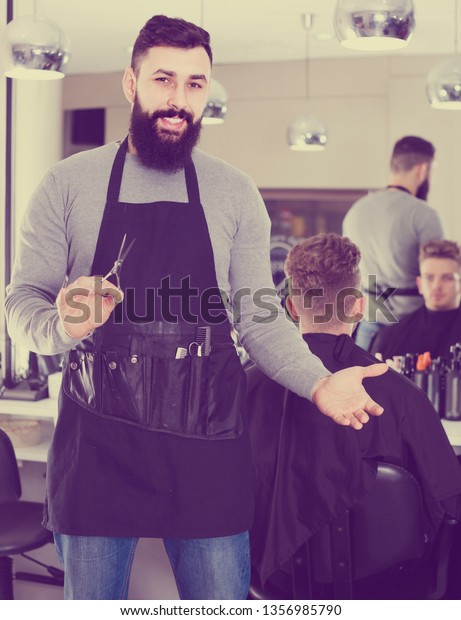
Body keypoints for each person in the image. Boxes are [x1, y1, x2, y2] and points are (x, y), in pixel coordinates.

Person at [4, 15, 387, 601]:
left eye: (195, 84)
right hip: (97, 451)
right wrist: (63, 324)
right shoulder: (68, 185)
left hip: (207, 450)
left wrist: (319, 382)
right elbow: (21, 306)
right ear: (131, 83)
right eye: (164, 80)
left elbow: (260, 318)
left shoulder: (233, 192)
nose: (178, 100)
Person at [246, 233, 461, 589]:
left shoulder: (246, 386)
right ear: (360, 306)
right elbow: (448, 502)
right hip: (383, 586)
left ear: (292, 307)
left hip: (273, 585)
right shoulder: (399, 395)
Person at [342, 136, 444, 351]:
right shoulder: (423, 214)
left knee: (365, 384)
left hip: (367, 326)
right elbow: (439, 273)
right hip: (412, 330)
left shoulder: (356, 211)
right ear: (423, 170)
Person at [370, 240, 461, 361]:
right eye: (429, 277)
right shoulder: (390, 338)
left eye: (447, 278)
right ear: (420, 284)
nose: (436, 286)